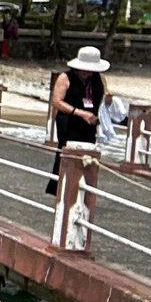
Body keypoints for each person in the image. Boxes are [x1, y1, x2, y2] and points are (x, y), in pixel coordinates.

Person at [47, 46, 110, 197]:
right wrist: (79, 113)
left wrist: (108, 101)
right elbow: (56, 101)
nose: (87, 73)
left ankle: (81, 186)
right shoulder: (65, 77)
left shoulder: (99, 78)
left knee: (87, 152)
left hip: (90, 121)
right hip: (70, 120)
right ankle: (61, 187)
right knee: (67, 152)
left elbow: (104, 98)